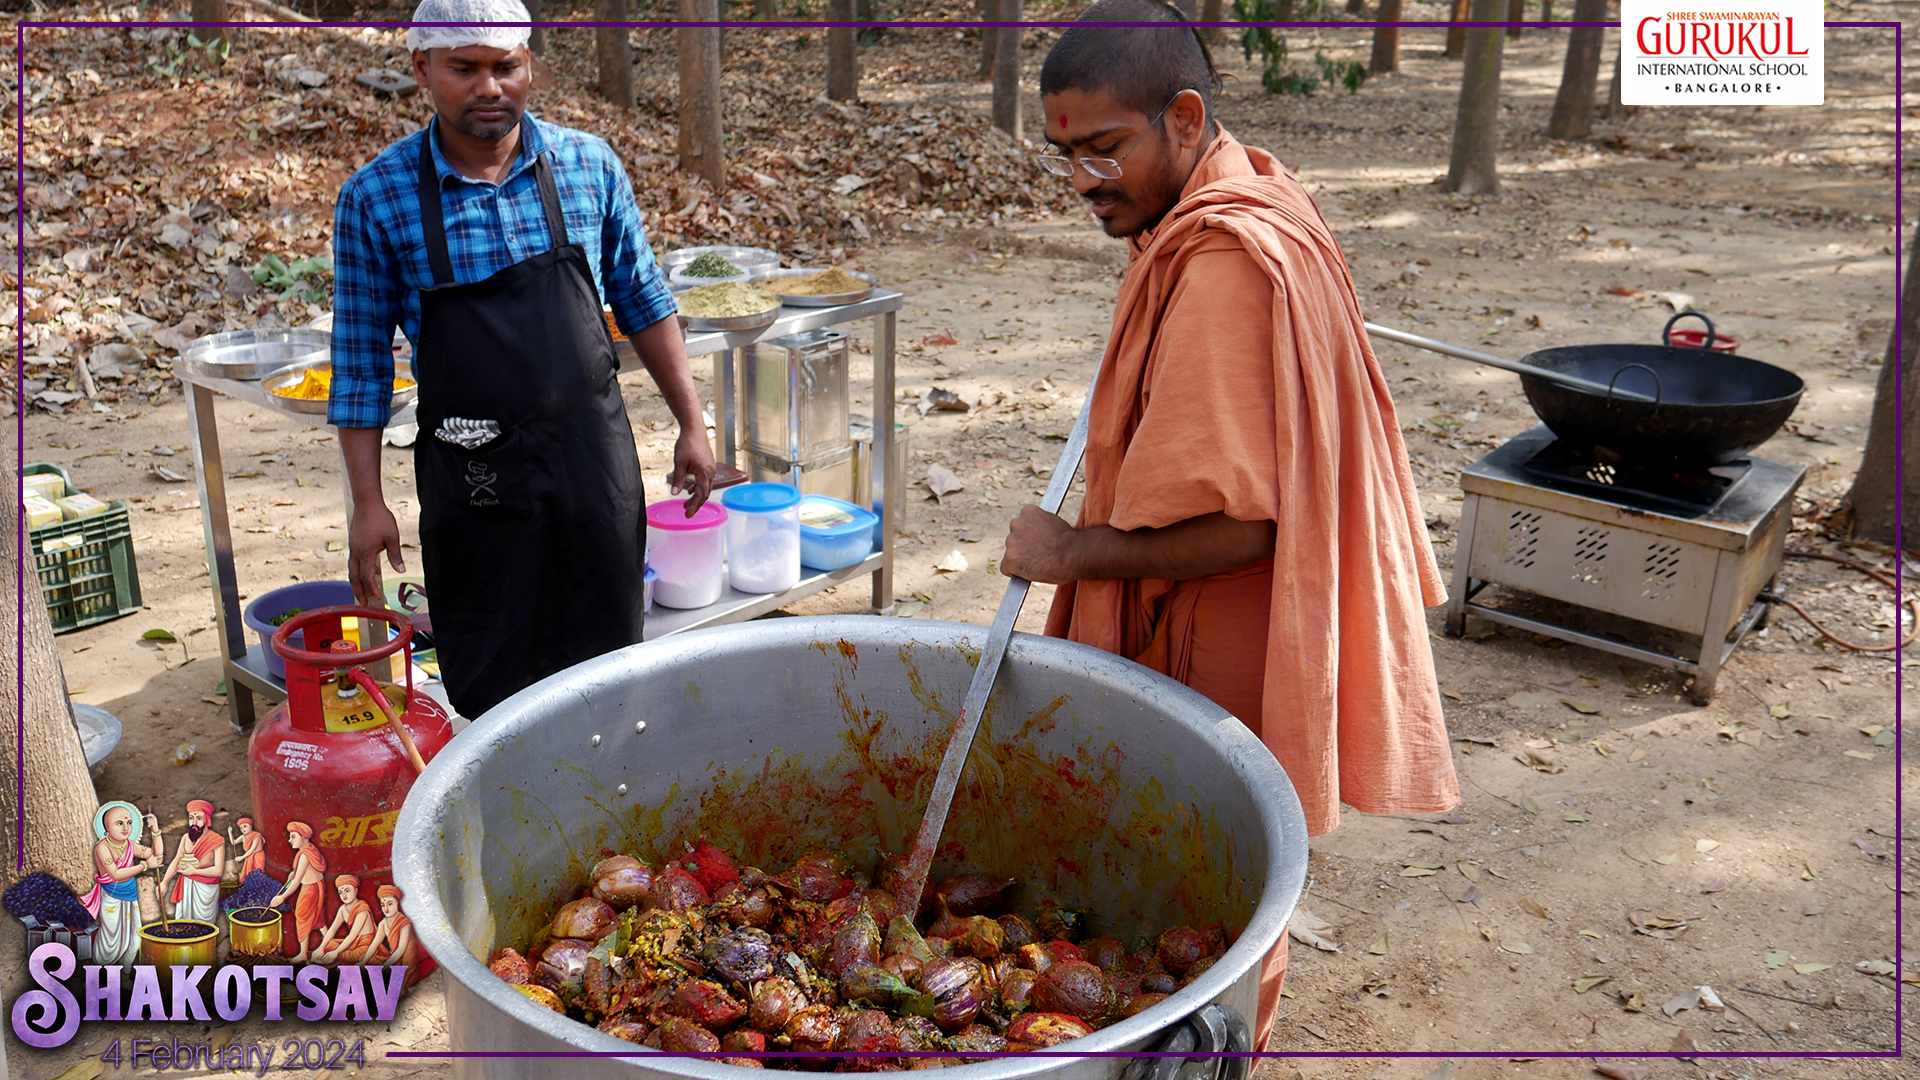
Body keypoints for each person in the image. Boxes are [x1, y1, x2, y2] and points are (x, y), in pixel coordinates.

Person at [999, 0, 1460, 1048]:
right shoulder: (1249, 186)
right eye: (1064, 153)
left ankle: (1210, 1053)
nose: (1082, 179)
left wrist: (1070, 552)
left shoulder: (1218, 268)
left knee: (1210, 880)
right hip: (1224, 620)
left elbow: (1251, 530)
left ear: (1186, 119)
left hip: (1229, 636)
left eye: (1105, 148)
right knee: (1217, 868)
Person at [329, 0, 715, 718]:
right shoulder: (376, 198)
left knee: (608, 664)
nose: (489, 87)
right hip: (475, 484)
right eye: (464, 69)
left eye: (506, 66)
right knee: (494, 675)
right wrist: (368, 503)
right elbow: (359, 363)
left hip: (592, 469)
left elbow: (644, 299)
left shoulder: (586, 167)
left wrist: (693, 424)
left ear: (530, 64)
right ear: (422, 69)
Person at [81, 803, 163, 968]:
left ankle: (125, 974)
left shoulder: (130, 845)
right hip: (111, 897)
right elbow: (116, 874)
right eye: (119, 823)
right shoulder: (102, 848)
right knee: (111, 938)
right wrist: (145, 866)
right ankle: (97, 975)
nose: (126, 827)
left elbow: (156, 854)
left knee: (134, 936)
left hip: (130, 895)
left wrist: (155, 831)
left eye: (129, 823)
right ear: (107, 827)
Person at [267, 821, 328, 963]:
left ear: (304, 837)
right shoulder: (311, 849)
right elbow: (304, 872)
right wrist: (294, 873)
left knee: (302, 916)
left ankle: (303, 953)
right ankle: (328, 942)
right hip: (317, 886)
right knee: (317, 917)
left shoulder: (304, 855)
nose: (290, 840)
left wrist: (282, 896)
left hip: (310, 889)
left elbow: (297, 881)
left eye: (293, 836)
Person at [158, 799, 226, 924]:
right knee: (184, 922)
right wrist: (165, 882)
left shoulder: (217, 840)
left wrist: (194, 871)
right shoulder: (185, 838)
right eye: (191, 818)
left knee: (204, 924)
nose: (194, 822)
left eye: (199, 818)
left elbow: (218, 870)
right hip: (187, 884)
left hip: (206, 887)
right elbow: (177, 860)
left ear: (206, 820)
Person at [366, 884, 423, 986]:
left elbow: (401, 950)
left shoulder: (405, 924)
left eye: (390, 904)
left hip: (407, 958)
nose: (386, 908)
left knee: (397, 987)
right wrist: (363, 962)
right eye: (383, 905)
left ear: (397, 904)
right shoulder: (383, 923)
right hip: (394, 956)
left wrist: (385, 966)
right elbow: (374, 944)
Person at [314, 875, 378, 965]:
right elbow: (332, 930)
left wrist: (336, 952)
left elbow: (352, 936)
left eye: (347, 891)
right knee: (329, 944)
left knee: (356, 955)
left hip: (365, 944)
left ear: (355, 891)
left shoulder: (362, 911)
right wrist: (321, 948)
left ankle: (336, 958)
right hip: (352, 942)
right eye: (340, 892)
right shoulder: (343, 909)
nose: (344, 895)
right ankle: (332, 957)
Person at [229, 816, 267, 881]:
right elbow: (233, 842)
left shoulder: (256, 836)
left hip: (257, 857)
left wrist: (241, 857)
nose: (243, 829)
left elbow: (252, 850)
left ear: (250, 826)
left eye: (245, 826)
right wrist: (229, 832)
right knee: (246, 875)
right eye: (241, 828)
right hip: (248, 858)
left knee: (258, 874)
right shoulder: (243, 837)